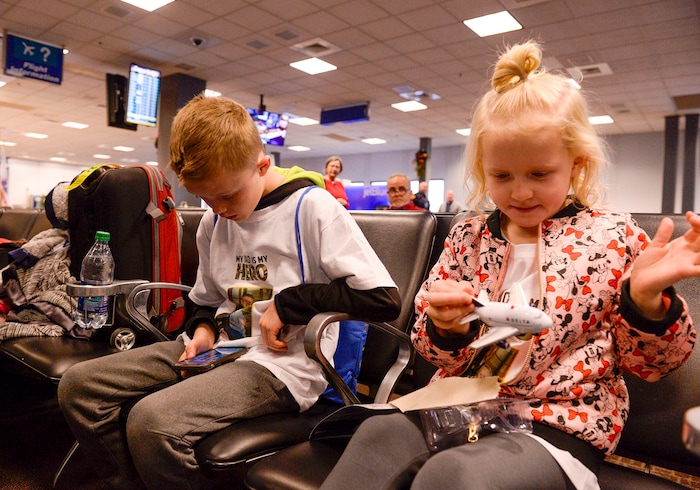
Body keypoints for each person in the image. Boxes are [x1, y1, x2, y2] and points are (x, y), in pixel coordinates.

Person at [320, 40, 699, 489]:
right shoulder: (469, 236)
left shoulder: (613, 238)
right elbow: (430, 348)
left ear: (575, 165)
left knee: (454, 477)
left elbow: (654, 365)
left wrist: (645, 301)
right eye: (502, 176)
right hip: (465, 404)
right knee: (376, 435)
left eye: (539, 175)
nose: (520, 193)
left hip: (560, 423)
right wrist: (447, 326)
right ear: (484, 168)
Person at [57, 94, 401, 489]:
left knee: (153, 423)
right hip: (220, 349)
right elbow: (204, 300)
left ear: (262, 165)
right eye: (205, 198)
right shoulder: (211, 222)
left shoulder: (312, 208)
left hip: (283, 366)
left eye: (228, 195)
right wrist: (203, 329)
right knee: (79, 388)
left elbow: (382, 300)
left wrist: (288, 305)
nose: (218, 209)